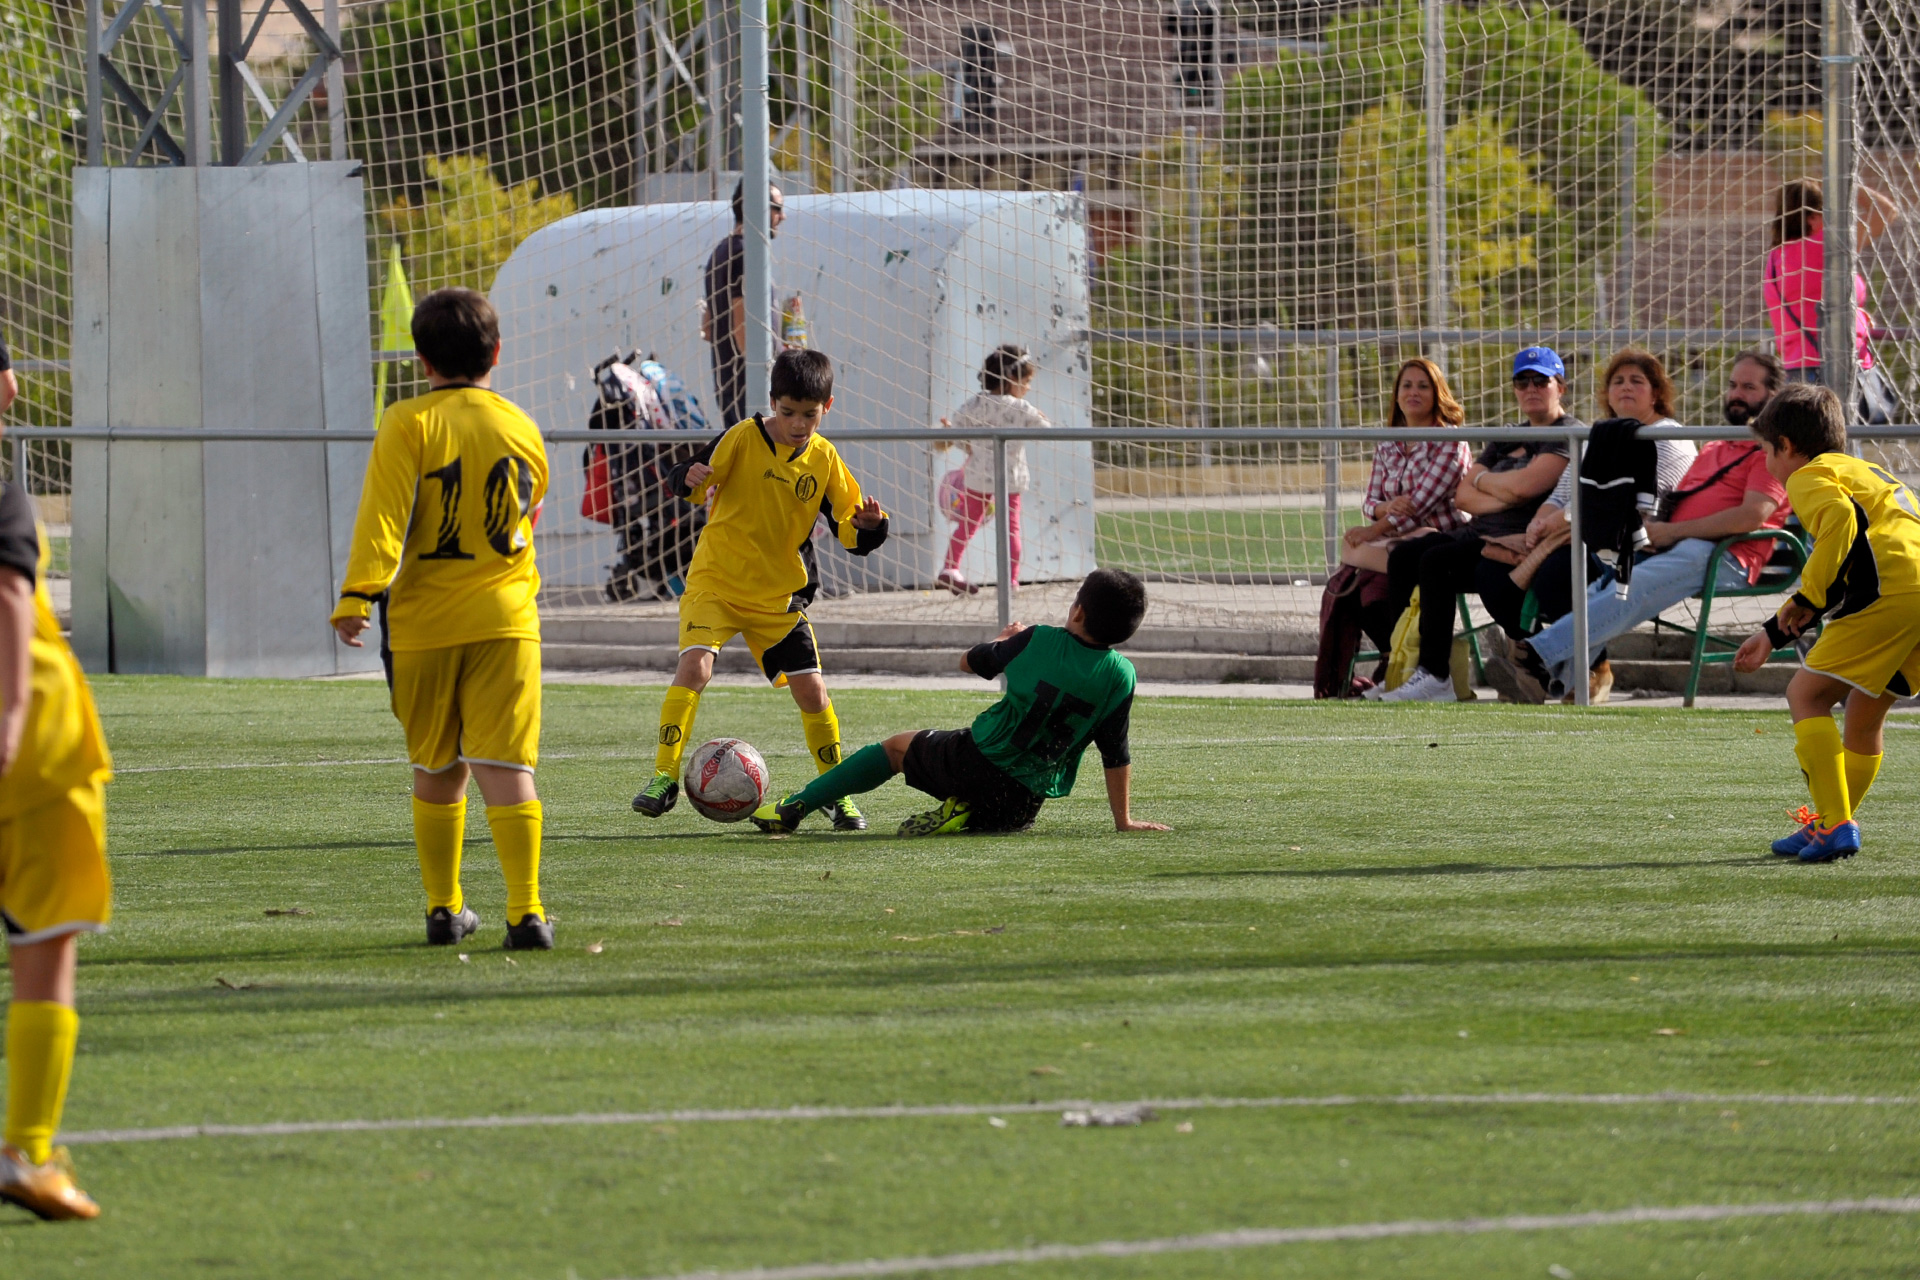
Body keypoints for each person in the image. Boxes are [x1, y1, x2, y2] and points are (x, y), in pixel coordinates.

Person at [330, 288, 554, 951]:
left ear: (423, 360)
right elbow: (529, 508)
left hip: (424, 627)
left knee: (438, 766)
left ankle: (443, 908)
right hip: (506, 623)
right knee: (508, 767)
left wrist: (357, 596)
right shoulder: (521, 425)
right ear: (497, 352)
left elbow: (384, 516)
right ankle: (527, 913)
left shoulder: (407, 421)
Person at [633, 349, 889, 830]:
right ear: (772, 403)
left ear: (827, 407)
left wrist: (871, 525)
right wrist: (685, 477)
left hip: (778, 598)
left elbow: (850, 527)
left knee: (812, 690)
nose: (797, 423)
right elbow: (691, 476)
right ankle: (663, 777)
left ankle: (835, 793)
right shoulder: (742, 437)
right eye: (787, 412)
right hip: (717, 583)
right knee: (696, 666)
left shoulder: (825, 458)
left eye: (808, 414)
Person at [749, 569, 1168, 837]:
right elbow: (1116, 753)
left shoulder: (1038, 638)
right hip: (1022, 804)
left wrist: (1004, 640)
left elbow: (968, 662)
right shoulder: (1121, 675)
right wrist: (1123, 821)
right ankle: (965, 813)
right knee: (995, 805)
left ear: (1076, 611)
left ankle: (794, 806)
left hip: (974, 761)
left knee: (895, 748)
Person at [1487, 352, 1788, 703]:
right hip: (1675, 546)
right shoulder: (1717, 444)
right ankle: (1546, 679)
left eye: (1749, 387)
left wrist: (1672, 533)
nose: (1737, 394)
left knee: (1633, 585)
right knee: (1603, 588)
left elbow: (1751, 516)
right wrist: (1655, 530)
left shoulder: (1771, 449)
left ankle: (1532, 654)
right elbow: (1677, 501)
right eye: (1734, 385)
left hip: (1724, 555)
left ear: (1773, 396)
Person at [1732, 383, 1920, 863]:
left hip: (1890, 591)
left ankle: (1836, 824)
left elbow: (1840, 525)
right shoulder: (1866, 469)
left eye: (1766, 453)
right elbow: (1860, 539)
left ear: (1788, 448)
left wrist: (1809, 596)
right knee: (1865, 710)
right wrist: (1774, 631)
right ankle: (1827, 823)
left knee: (1805, 695)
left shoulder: (1807, 476)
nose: (1769, 465)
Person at [0, 476, 113, 1219]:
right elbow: (7, 593)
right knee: (46, 939)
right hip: (34, 756)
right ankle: (28, 1151)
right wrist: (10, 713)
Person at [1375, 347, 1575, 703]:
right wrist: (1505, 491)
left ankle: (1436, 676)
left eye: (1540, 381)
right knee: (1404, 556)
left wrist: (1494, 485)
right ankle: (1400, 669)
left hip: (1518, 540)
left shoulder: (1568, 433)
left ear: (1560, 387)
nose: (1530, 388)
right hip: (1478, 531)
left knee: (1436, 562)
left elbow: (1527, 488)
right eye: (1522, 381)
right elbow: (1464, 496)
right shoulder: (1508, 434)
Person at [1516, 348, 1700, 701]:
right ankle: (1559, 670)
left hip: (1641, 544)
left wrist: (1562, 520)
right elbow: (1563, 493)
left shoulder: (1667, 435)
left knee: (1559, 571)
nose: (1625, 388)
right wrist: (1539, 523)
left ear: (1657, 392)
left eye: (1636, 381)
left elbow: (1648, 503)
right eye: (1618, 381)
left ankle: (1565, 668)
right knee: (1525, 569)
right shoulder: (1599, 437)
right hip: (1592, 536)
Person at [1763, 177, 1901, 418]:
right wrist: (1848, 182)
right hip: (1837, 366)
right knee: (1843, 444)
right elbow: (1887, 212)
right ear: (1812, 218)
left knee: (1816, 448)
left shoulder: (1776, 258)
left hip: (1797, 370)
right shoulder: (1828, 245)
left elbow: (1811, 302)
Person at [936, 344, 1050, 596]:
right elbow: (1046, 428)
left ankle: (949, 568)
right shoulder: (1021, 408)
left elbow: (954, 430)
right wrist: (1042, 417)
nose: (1028, 387)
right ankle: (1010, 581)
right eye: (1027, 381)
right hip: (1011, 478)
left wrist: (947, 430)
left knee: (968, 524)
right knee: (1012, 528)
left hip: (977, 477)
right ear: (1011, 378)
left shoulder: (975, 403)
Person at [1342, 357, 1470, 575]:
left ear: (1436, 394)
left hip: (1442, 537)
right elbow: (1370, 502)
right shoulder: (1387, 442)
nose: (1414, 393)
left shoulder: (1450, 440)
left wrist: (1373, 531)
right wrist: (1388, 507)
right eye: (1407, 386)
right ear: (1397, 395)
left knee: (1391, 553)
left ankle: (1393, 574)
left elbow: (1419, 506)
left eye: (1423, 386)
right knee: (1349, 542)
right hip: (1396, 536)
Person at [702, 180, 799, 430]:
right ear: (757, 208)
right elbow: (741, 327)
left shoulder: (720, 252)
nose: (783, 216)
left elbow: (708, 328)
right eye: (777, 208)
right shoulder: (745, 254)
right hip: (750, 391)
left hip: (732, 386)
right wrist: (769, 378)